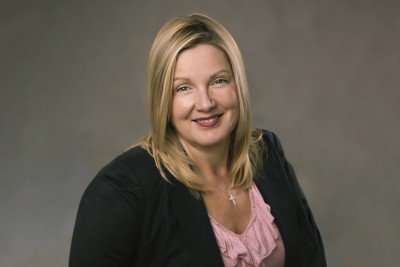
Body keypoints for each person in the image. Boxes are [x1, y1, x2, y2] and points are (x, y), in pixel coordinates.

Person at [69, 13, 326, 267]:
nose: (205, 103)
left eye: (218, 81)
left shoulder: (266, 150)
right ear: (163, 100)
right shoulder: (120, 189)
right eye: (183, 88)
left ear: (238, 86)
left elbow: (311, 258)